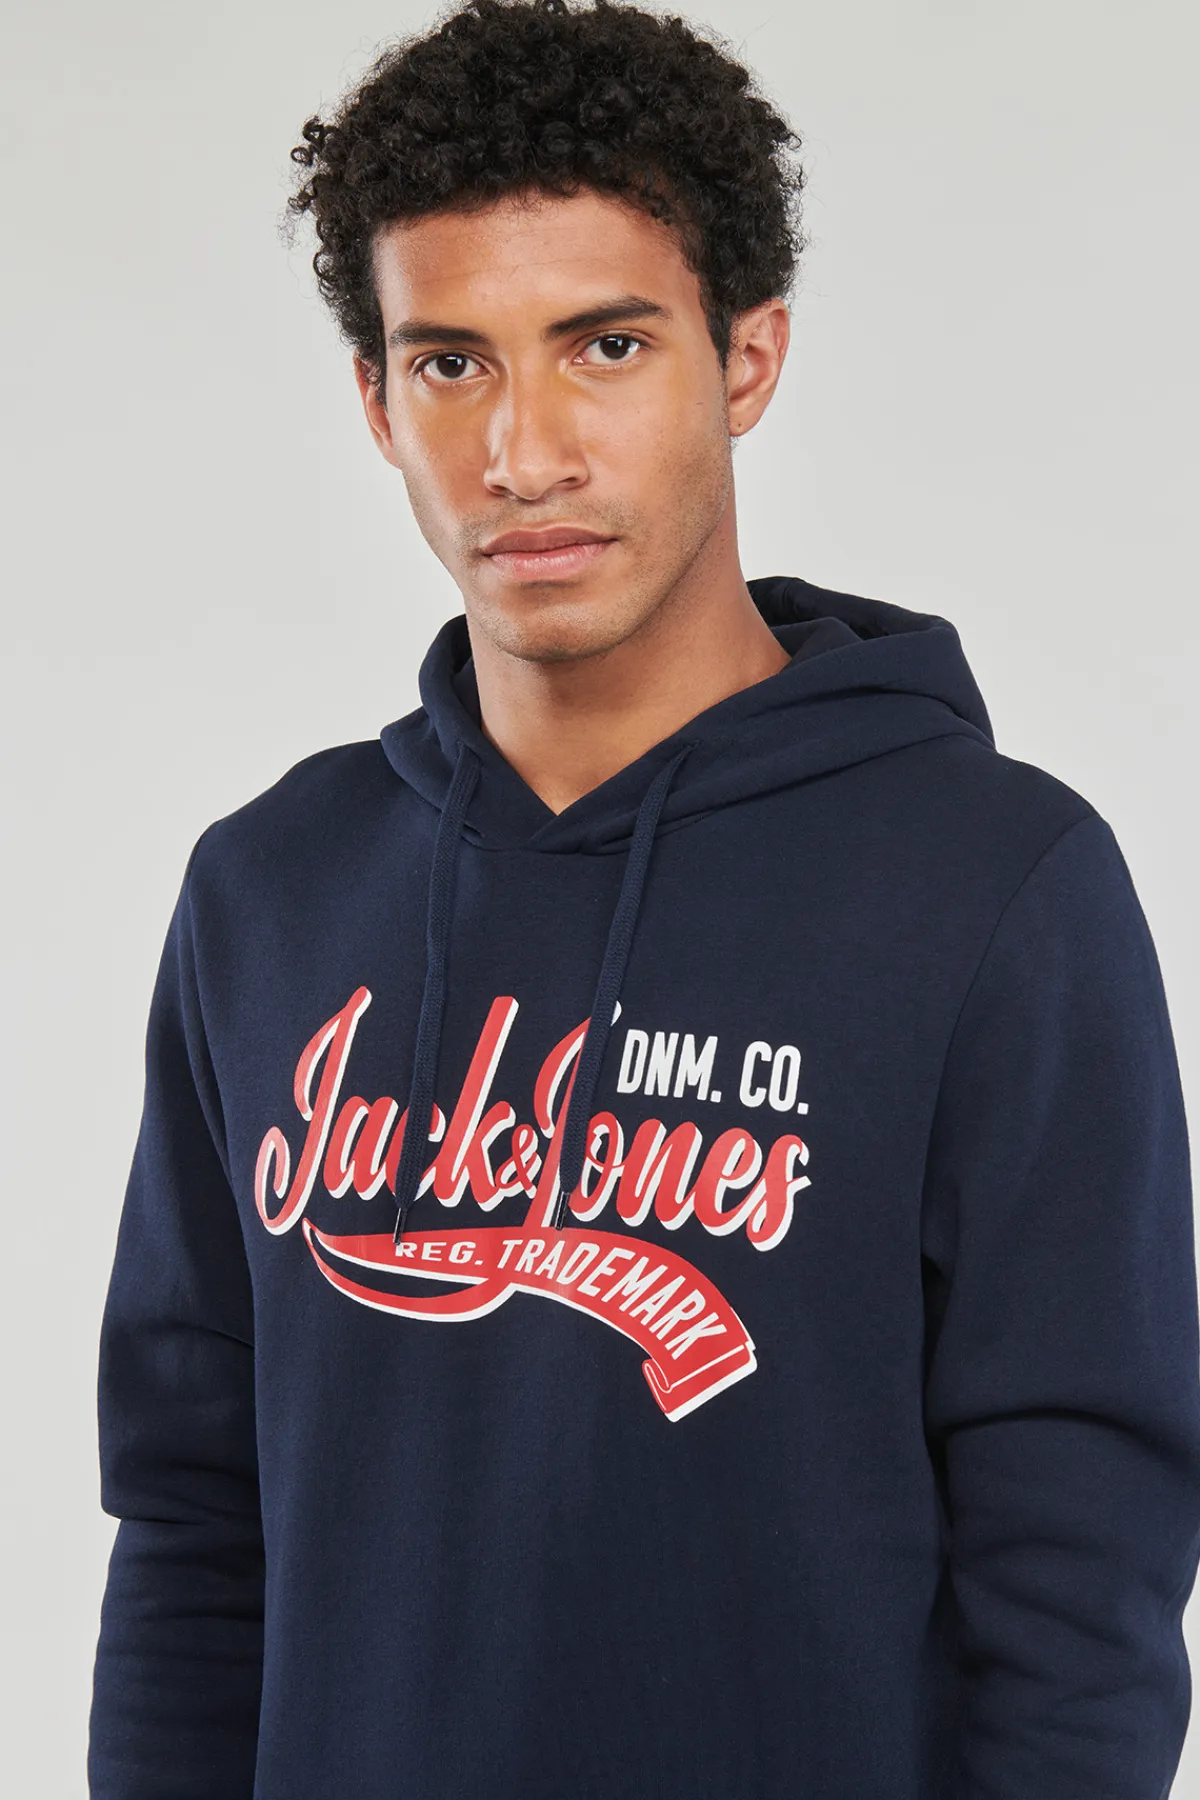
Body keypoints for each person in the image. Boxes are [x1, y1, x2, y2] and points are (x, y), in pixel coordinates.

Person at [87, 2, 1200, 1795]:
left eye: (604, 345)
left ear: (747, 357)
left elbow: (1080, 1589)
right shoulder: (270, 890)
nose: (523, 452)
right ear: (375, 401)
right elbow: (194, 1526)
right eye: (452, 363)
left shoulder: (996, 885)